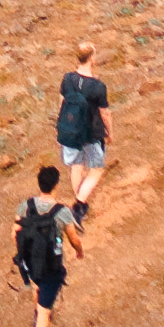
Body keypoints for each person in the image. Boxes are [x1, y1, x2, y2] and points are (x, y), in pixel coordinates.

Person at [11, 163, 74, 327]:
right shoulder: (61, 212)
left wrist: (23, 253)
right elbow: (73, 238)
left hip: (29, 261)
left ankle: (37, 311)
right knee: (45, 310)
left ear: (39, 184)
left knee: (36, 285)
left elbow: (15, 231)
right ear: (56, 185)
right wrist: (79, 251)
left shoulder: (26, 206)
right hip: (51, 267)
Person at [52, 47, 113, 229]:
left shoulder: (67, 78)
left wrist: (63, 123)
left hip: (70, 130)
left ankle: (80, 203)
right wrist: (110, 132)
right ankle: (78, 207)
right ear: (92, 58)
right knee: (96, 169)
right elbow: (105, 114)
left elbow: (61, 102)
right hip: (91, 133)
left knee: (76, 167)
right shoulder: (98, 87)